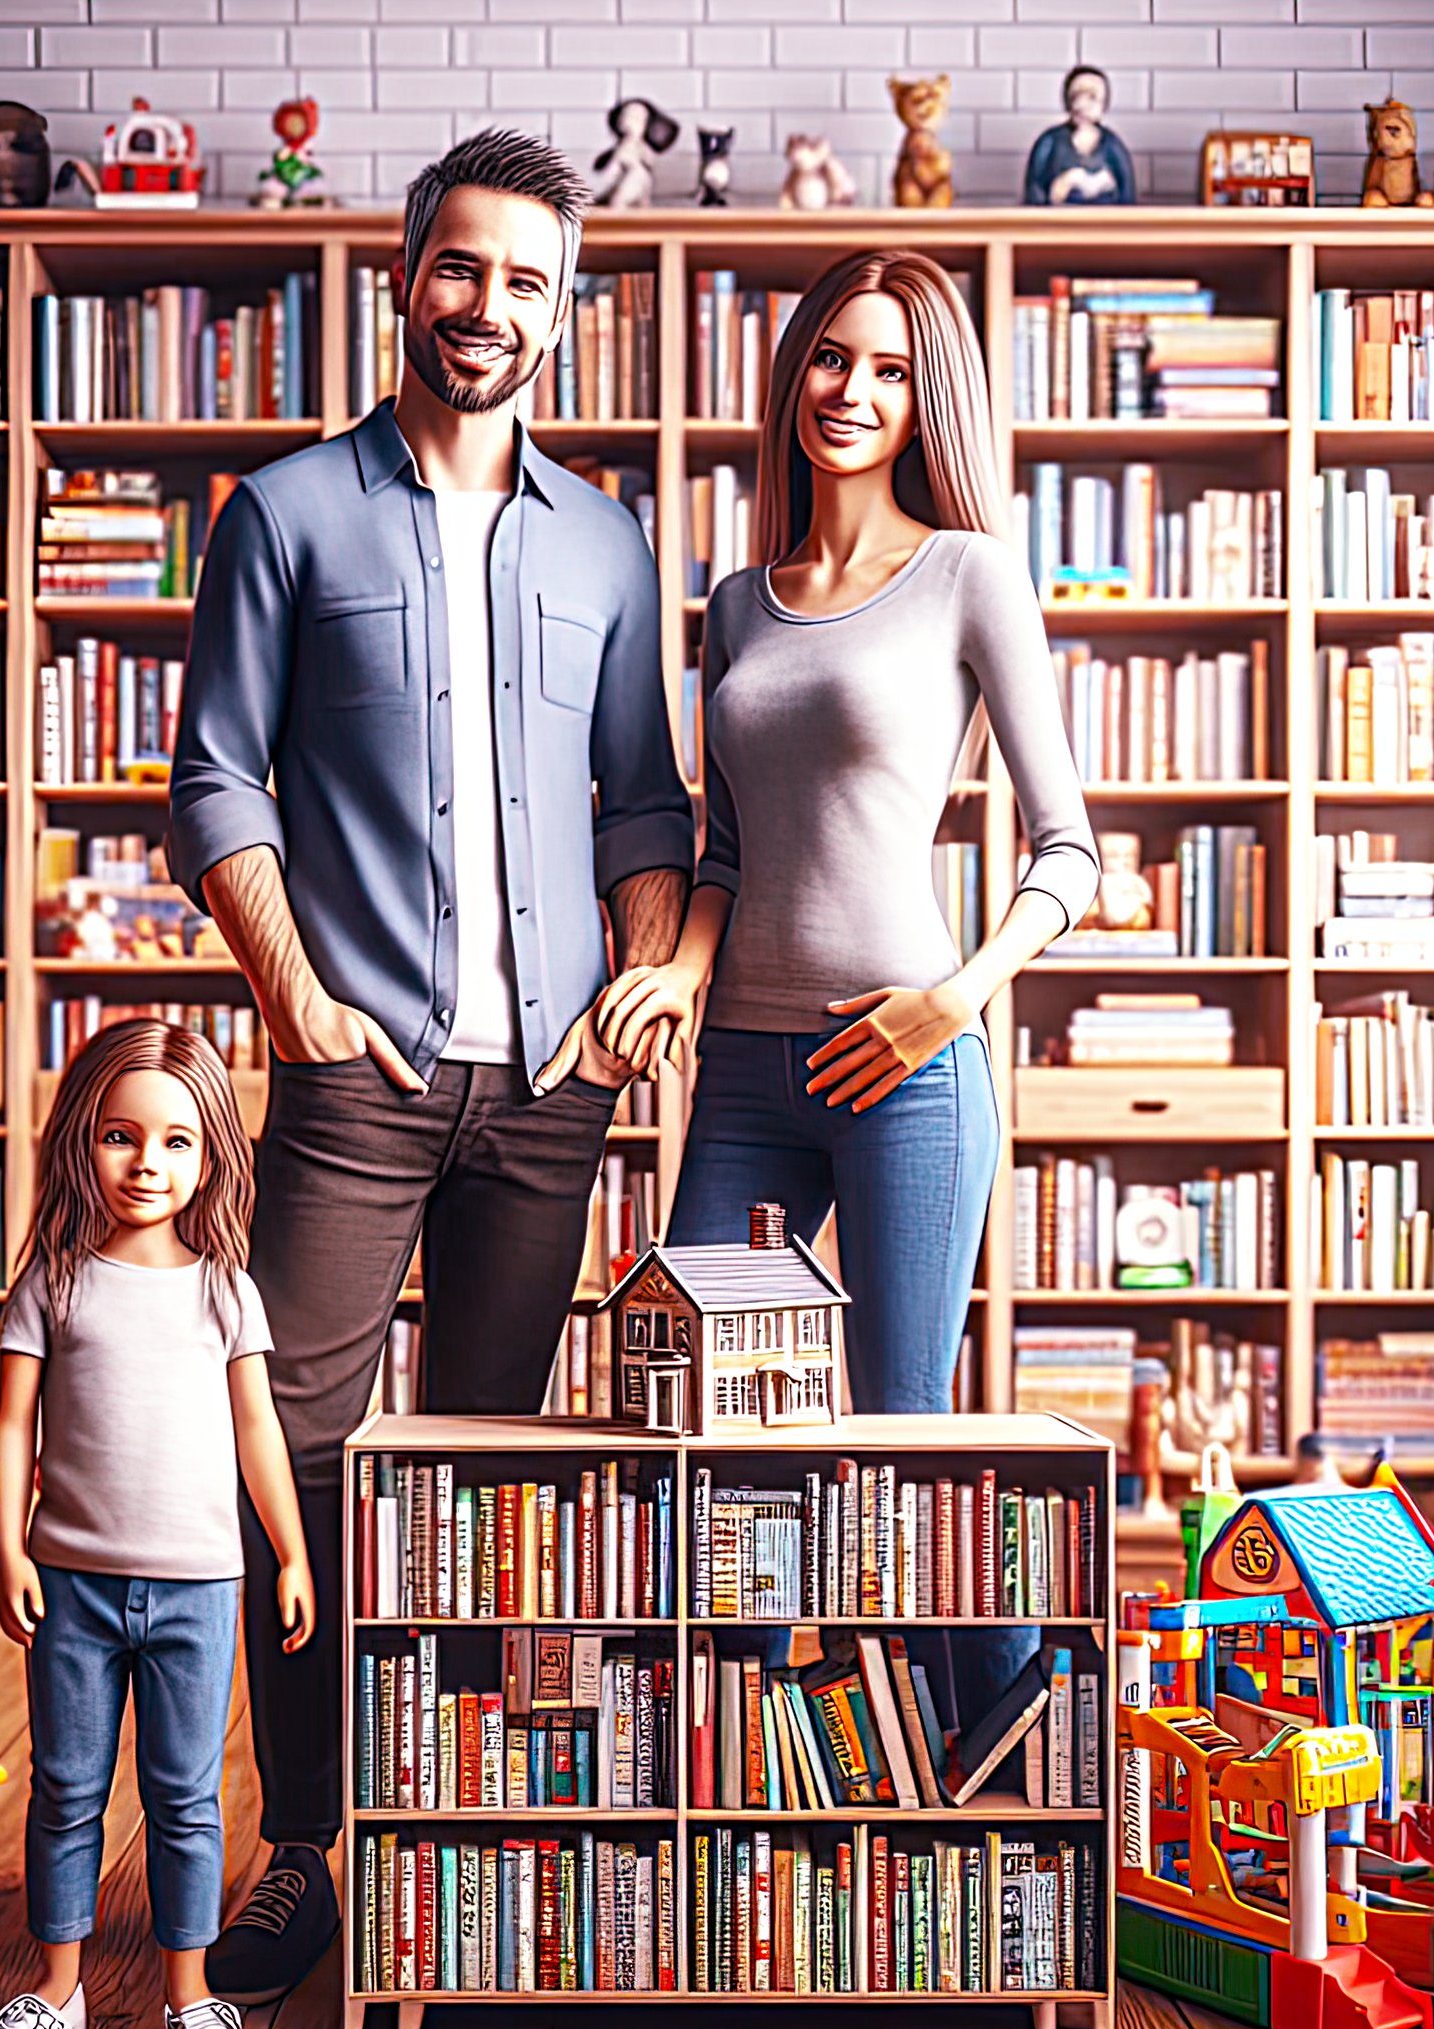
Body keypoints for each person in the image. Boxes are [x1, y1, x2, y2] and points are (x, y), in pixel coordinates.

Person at [169, 128, 693, 2006]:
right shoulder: (287, 514)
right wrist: (295, 993)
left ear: (569, 305)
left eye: (529, 277)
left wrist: (646, 974)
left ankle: (444, 1827)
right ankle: (309, 1843)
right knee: (293, 1456)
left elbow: (645, 799)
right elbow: (214, 774)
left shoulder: (611, 540)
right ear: (407, 278)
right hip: (353, 1076)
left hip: (547, 1096)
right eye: (461, 267)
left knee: (479, 1467)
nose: (490, 306)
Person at [593, 250, 1098, 1727]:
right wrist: (671, 976)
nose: (853, 390)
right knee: (698, 1427)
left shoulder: (967, 573)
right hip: (744, 1076)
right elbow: (725, 849)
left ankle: (1004, 1768)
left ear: (926, 393)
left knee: (905, 1434)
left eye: (888, 367)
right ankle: (732, 1765)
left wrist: (958, 997)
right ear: (791, 373)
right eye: (831, 358)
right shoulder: (739, 603)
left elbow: (1070, 849)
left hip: (909, 1067)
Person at [0, 1019, 314, 2029]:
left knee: (186, 1794)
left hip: (201, 1586)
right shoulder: (53, 1284)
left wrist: (289, 1554)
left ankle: (189, 1994)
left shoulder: (226, 1289)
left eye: (175, 1142)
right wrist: (7, 1549)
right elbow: (12, 1426)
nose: (147, 1164)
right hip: (69, 1583)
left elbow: (259, 1427)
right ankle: (57, 1989)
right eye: (121, 1136)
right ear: (82, 1140)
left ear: (210, 1153)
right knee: (66, 1789)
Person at [1023, 67, 1137, 208]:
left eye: (1092, 97)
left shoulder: (1113, 145)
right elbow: (1034, 193)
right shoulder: (1049, 142)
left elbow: (1127, 197)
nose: (1082, 105)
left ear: (1104, 103)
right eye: (1076, 96)